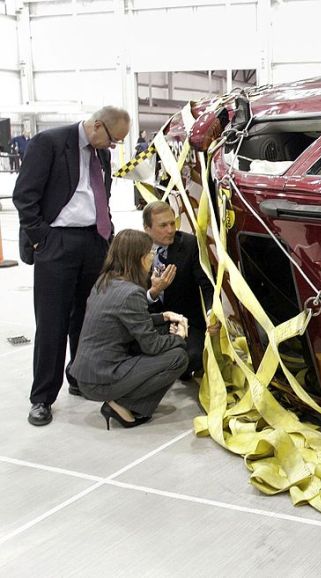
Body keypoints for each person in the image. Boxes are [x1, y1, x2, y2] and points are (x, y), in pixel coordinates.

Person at [13, 106, 130, 426]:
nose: (113, 147)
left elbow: (100, 197)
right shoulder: (48, 143)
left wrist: (107, 237)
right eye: (113, 140)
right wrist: (41, 240)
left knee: (87, 318)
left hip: (93, 243)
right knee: (52, 322)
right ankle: (42, 397)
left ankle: (79, 377)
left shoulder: (100, 154)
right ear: (96, 126)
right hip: (57, 243)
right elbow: (24, 196)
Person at [70, 230, 189, 428]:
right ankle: (121, 404)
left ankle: (132, 406)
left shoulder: (104, 281)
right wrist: (180, 337)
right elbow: (152, 345)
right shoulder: (132, 293)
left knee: (163, 337)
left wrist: (163, 317)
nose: (152, 256)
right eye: (149, 252)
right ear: (140, 258)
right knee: (178, 357)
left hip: (88, 375)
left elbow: (125, 320)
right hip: (102, 379)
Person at [143, 201, 217, 379]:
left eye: (172, 223)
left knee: (193, 357)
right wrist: (153, 293)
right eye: (163, 225)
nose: (170, 230)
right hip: (150, 323)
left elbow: (207, 285)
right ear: (147, 229)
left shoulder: (190, 244)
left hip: (185, 321)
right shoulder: (135, 248)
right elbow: (125, 296)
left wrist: (211, 313)